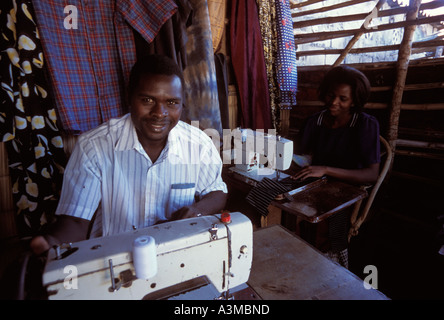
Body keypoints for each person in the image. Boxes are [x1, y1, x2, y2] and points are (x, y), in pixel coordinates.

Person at [30, 54, 228, 255]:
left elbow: (217, 192)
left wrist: (196, 210)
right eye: (148, 100)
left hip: (176, 254)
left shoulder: (199, 144)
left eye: (171, 102)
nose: (160, 113)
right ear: (129, 98)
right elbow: (76, 219)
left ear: (182, 104)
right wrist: (52, 241)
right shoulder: (94, 147)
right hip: (112, 261)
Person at [292, 65, 380, 267]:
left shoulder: (365, 125)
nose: (333, 102)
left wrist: (326, 169)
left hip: (347, 191)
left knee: (323, 222)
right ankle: (294, 255)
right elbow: (298, 155)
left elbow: (371, 174)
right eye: (331, 95)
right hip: (317, 184)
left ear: (355, 101)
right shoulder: (316, 121)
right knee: (272, 197)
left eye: (343, 99)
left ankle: (323, 265)